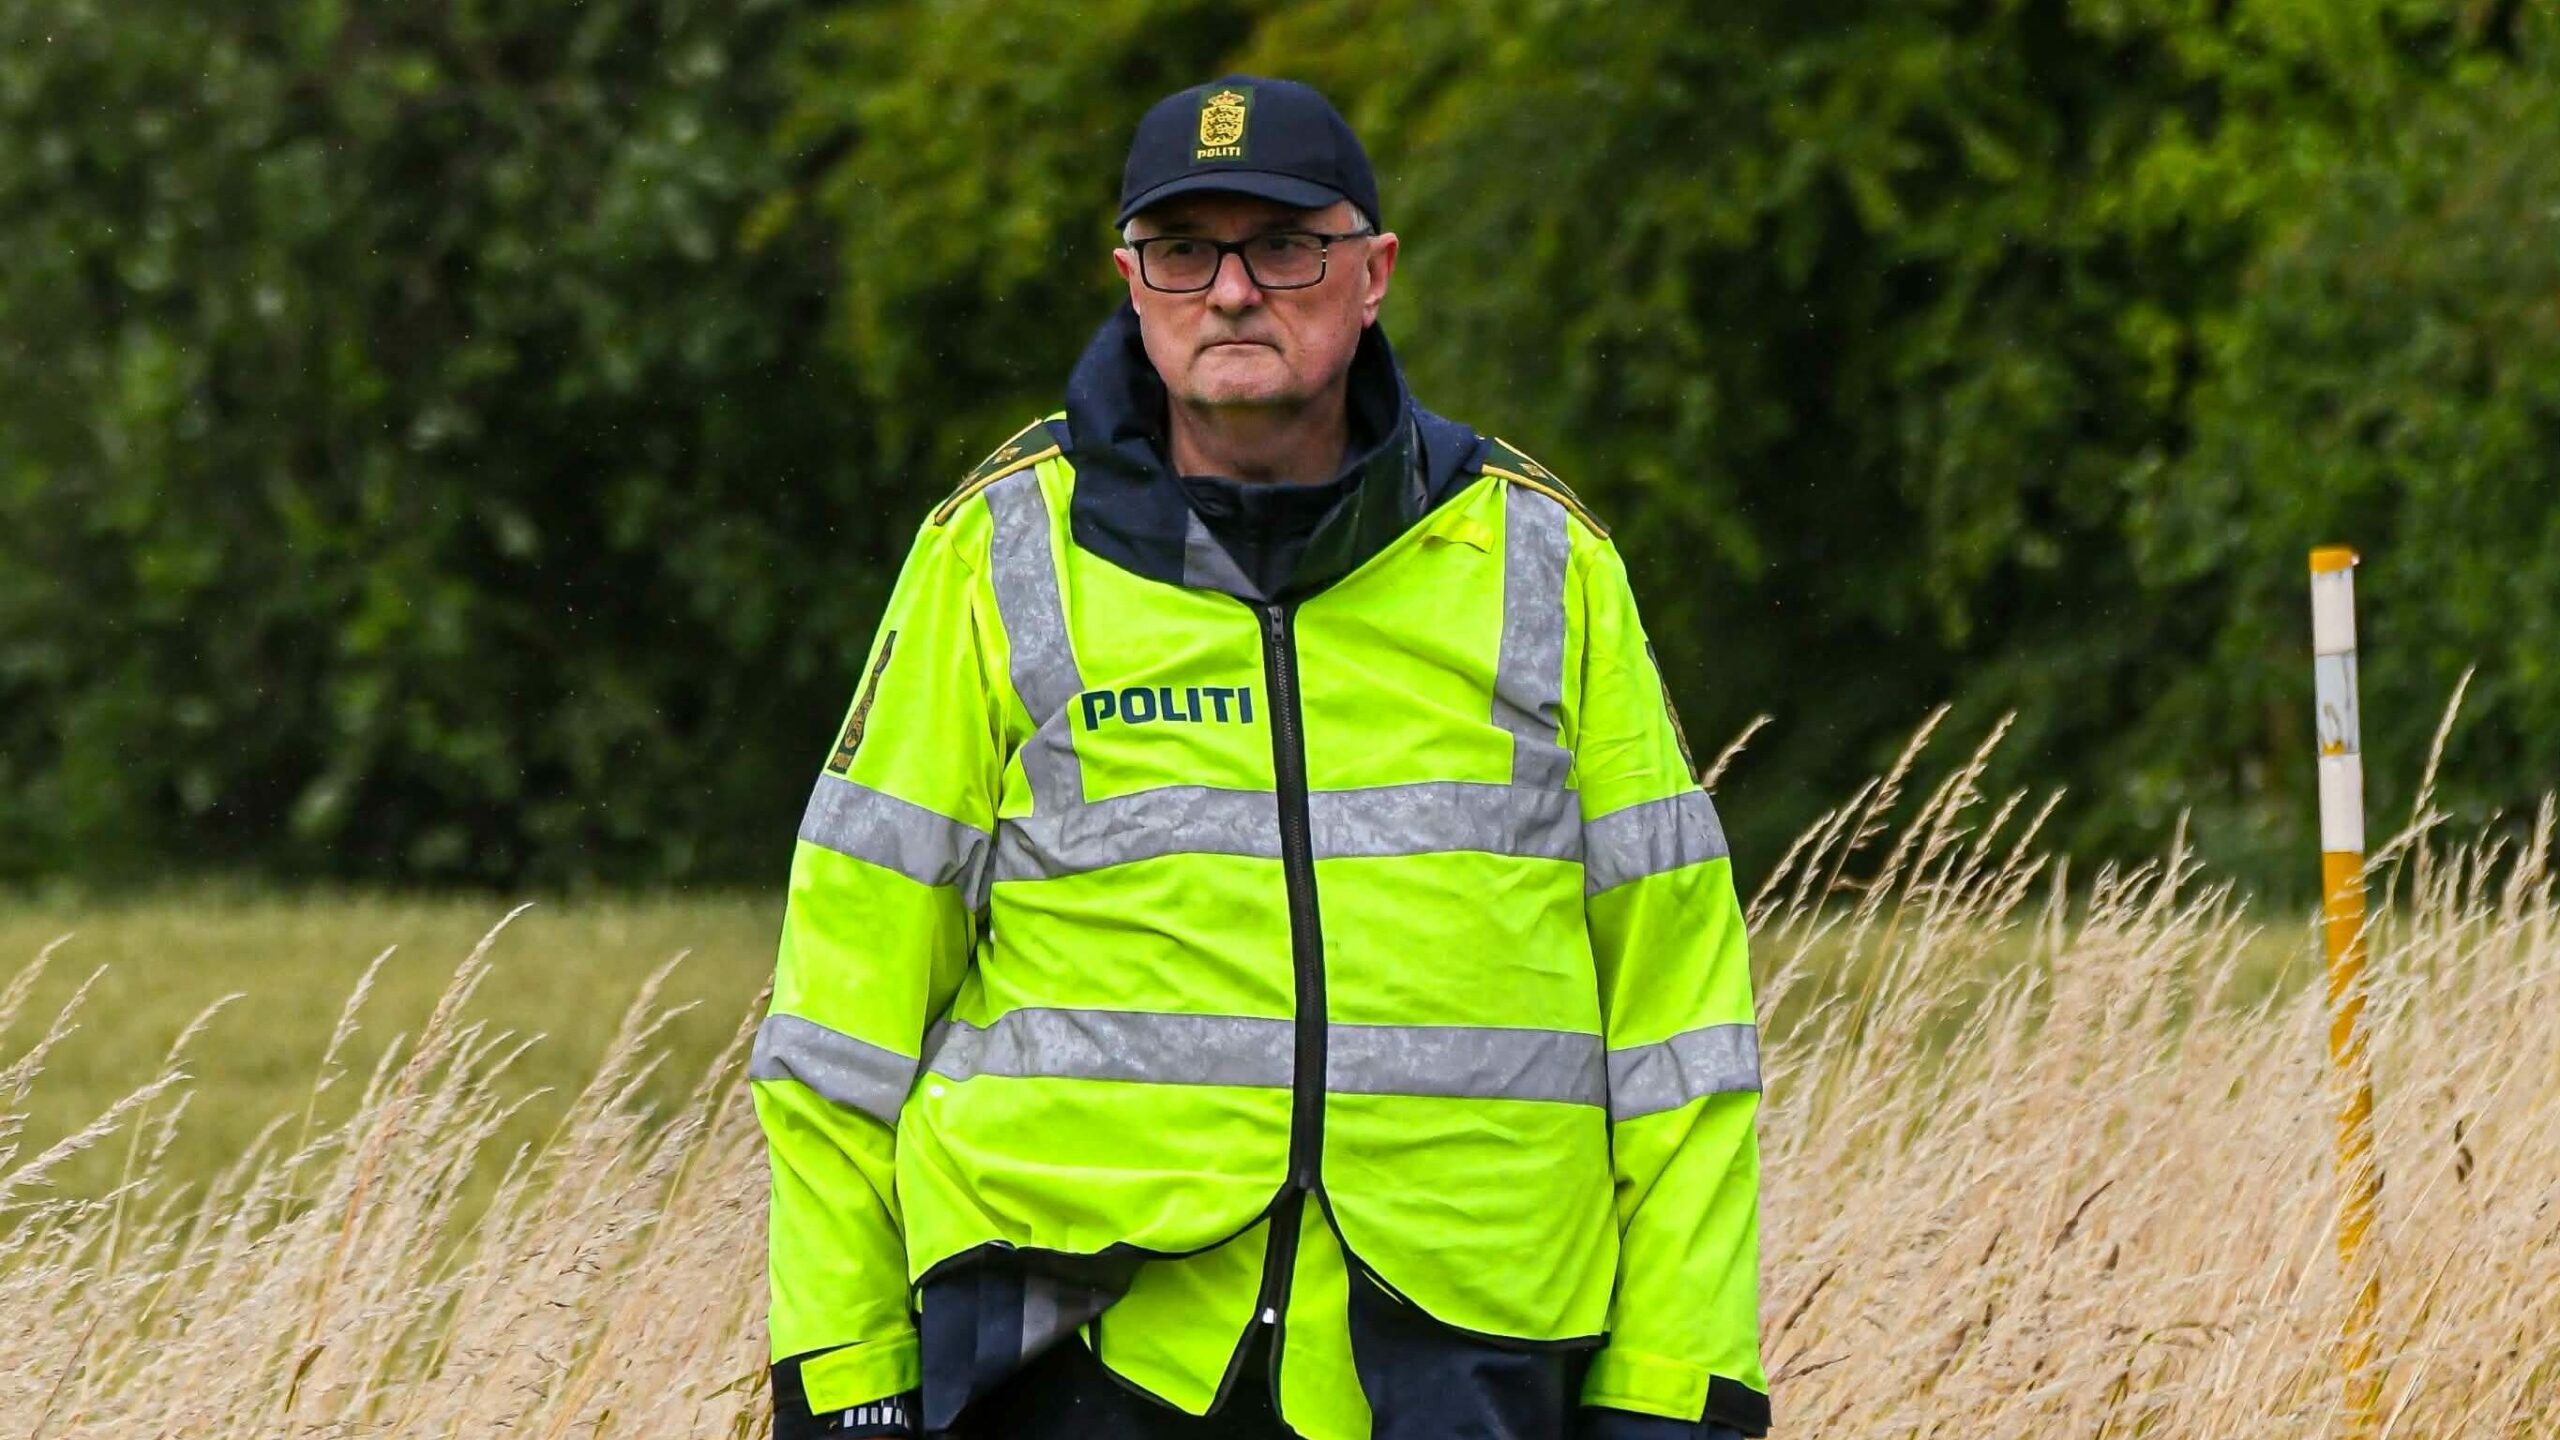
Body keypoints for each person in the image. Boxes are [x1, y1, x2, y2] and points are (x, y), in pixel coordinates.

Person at [752, 75, 1768, 1440]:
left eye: (1284, 246)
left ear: (1373, 276)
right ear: (1130, 281)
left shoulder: (1547, 563)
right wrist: (843, 1365)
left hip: (1466, 1353)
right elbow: (839, 1013)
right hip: (1070, 1349)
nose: (1232, 291)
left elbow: (1681, 1024)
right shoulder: (994, 557)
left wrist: (1676, 1382)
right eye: (1183, 252)